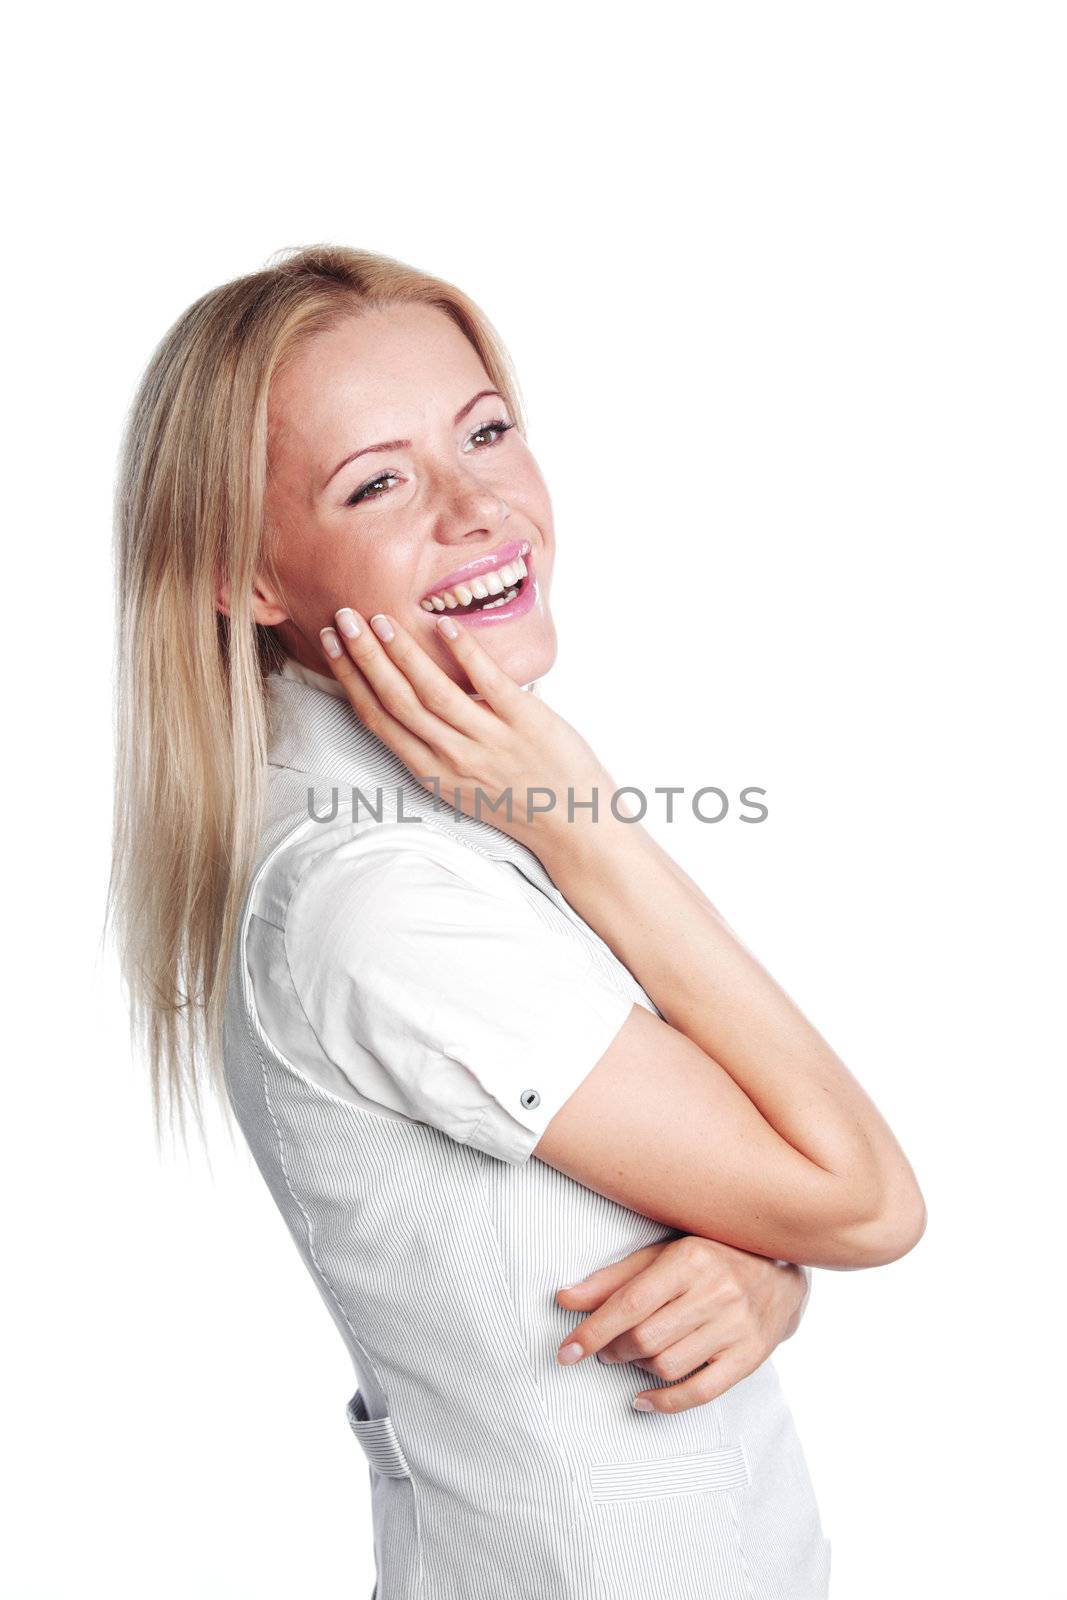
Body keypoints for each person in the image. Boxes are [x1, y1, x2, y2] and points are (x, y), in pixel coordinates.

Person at [108, 244, 926, 1599]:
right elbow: (873, 1198)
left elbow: (771, 1184)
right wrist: (584, 820)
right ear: (246, 579)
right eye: (377, 481)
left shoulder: (433, 820)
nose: (479, 505)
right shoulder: (384, 901)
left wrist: (765, 1266)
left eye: (485, 432)